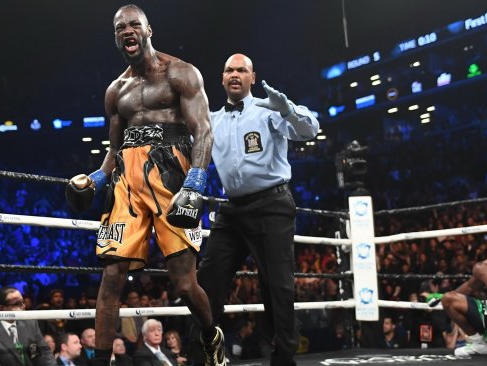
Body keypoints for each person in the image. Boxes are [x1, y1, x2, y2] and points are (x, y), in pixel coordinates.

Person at [65, 4, 223, 366]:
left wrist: (196, 183)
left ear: (149, 30)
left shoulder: (181, 73)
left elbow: (204, 131)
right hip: (127, 184)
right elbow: (114, 149)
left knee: (184, 284)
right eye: (120, 28)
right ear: (116, 38)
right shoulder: (115, 90)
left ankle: (211, 333)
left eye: (134, 25)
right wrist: (94, 179)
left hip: (173, 178)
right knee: (111, 278)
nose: (127, 32)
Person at [196, 53, 319, 366]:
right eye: (229, 70)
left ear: (252, 77)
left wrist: (288, 110)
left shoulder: (269, 109)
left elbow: (310, 130)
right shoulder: (212, 119)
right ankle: (203, 353)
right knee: (208, 278)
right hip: (233, 208)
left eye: (242, 70)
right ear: (222, 79)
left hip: (272, 205)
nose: (235, 74)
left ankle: (284, 358)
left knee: (278, 285)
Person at [0, 286, 56, 365]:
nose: (23, 306)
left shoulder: (30, 323)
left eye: (23, 302)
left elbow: (44, 352)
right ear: (1, 308)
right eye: (17, 304)